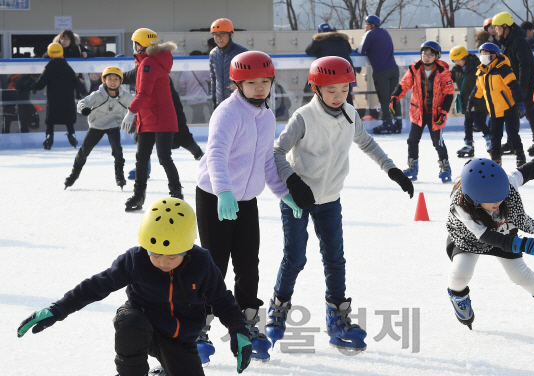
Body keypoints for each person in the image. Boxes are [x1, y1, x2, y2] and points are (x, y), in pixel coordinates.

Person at [265, 56, 414, 353]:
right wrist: (293, 182)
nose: (338, 96)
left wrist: (392, 169)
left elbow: (367, 143)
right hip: (297, 199)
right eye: (331, 90)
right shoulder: (304, 117)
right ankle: (279, 306)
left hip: (330, 199)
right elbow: (277, 152)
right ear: (316, 88)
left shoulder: (349, 113)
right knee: (295, 258)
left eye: (344, 89)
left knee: (335, 258)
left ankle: (337, 315)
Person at [17, 197, 253, 376]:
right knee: (130, 322)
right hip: (142, 325)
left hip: (179, 339)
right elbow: (97, 286)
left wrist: (238, 329)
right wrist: (58, 309)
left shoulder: (201, 262)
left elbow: (222, 300)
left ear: (187, 248)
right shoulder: (136, 260)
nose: (162, 262)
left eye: (172, 257)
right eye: (156, 254)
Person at [195, 51, 297, 362]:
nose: (259, 88)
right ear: (238, 83)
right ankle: (199, 327)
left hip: (247, 200)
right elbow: (215, 155)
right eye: (251, 82)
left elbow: (267, 160)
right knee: (214, 265)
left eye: (265, 82)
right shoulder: (227, 113)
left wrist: (284, 193)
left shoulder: (266, 116)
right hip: (215, 197)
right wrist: (224, 192)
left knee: (248, 264)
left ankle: (248, 325)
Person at [445, 143, 534, 331]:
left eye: (501, 196)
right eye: (492, 200)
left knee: (520, 275)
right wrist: (521, 244)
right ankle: (458, 296)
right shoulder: (461, 206)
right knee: (460, 274)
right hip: (470, 239)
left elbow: (527, 171)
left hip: (503, 231)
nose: (498, 202)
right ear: (474, 198)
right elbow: (485, 236)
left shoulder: (505, 183)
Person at [120, 28, 184, 212]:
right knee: (141, 158)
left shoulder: (149, 63)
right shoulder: (145, 63)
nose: (133, 46)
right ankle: (138, 196)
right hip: (148, 117)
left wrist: (131, 112)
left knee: (164, 158)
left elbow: (144, 94)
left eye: (134, 43)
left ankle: (177, 195)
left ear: (140, 44)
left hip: (161, 118)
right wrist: (137, 117)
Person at [390, 41, 455, 183]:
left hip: (435, 114)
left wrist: (443, 112)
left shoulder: (443, 72)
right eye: (424, 53)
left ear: (437, 56)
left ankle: (445, 168)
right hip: (418, 113)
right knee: (412, 140)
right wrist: (394, 98)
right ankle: (412, 168)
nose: (426, 57)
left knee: (438, 142)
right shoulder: (415, 69)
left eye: (430, 54)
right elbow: (404, 84)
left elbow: (449, 94)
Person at [63, 67, 134, 190]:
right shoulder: (97, 95)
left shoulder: (126, 96)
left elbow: (139, 104)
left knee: (118, 151)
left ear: (120, 81)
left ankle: (120, 177)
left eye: (116, 79)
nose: (113, 81)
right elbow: (81, 103)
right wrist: (84, 109)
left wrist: (134, 120)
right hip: (96, 126)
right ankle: (73, 176)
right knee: (84, 151)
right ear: (104, 80)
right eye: (110, 79)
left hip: (114, 126)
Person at [493, 12, 534, 157]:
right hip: (515, 83)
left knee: (529, 112)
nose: (496, 30)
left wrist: (522, 88)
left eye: (497, 27)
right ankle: (511, 142)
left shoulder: (518, 41)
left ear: (505, 26)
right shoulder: (509, 40)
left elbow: (525, 64)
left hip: (526, 83)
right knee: (513, 113)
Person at [468, 43, 526, 167]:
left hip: (508, 108)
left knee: (512, 134)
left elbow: (514, 87)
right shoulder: (481, 72)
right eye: (481, 53)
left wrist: (520, 103)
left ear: (494, 55)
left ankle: (520, 156)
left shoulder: (503, 69)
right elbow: (478, 90)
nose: (483, 56)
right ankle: (496, 160)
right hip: (494, 110)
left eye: (486, 54)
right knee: (495, 136)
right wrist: (470, 103)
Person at [356, 15, 402, 134]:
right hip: (394, 69)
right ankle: (398, 122)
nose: (365, 27)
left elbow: (361, 50)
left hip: (381, 71)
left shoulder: (370, 34)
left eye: (366, 24)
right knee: (394, 97)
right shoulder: (385, 32)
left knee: (384, 98)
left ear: (372, 25)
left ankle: (387, 123)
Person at [31, 42, 79, 150]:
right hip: (68, 99)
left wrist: (33, 87)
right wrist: (82, 91)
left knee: (51, 119)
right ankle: (72, 135)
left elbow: (41, 82)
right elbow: (75, 82)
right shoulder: (67, 67)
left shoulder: (49, 68)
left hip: (54, 99)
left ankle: (49, 136)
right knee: (68, 118)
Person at [449, 45, 492, 159]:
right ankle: (468, 144)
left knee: (479, 123)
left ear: (465, 57)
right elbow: (449, 78)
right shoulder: (456, 69)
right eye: (455, 60)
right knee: (467, 123)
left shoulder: (477, 66)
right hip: (466, 102)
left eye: (459, 60)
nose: (457, 62)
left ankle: (490, 139)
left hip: (480, 101)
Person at [305, 22, 355, 105]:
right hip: (346, 71)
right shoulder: (342, 39)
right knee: (345, 94)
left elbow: (309, 51)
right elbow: (349, 50)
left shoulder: (319, 39)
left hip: (329, 72)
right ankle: (350, 115)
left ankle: (329, 115)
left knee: (329, 94)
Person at [209, 18, 248, 109]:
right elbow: (213, 78)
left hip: (239, 101)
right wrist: (214, 99)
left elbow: (249, 78)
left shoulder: (241, 52)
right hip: (220, 102)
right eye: (216, 35)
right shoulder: (213, 54)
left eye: (222, 34)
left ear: (230, 34)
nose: (219, 38)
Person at [178, 51, 211, 124]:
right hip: (201, 98)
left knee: (197, 115)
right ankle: (198, 130)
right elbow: (211, 78)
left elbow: (181, 84)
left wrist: (184, 95)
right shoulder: (203, 70)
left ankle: (196, 129)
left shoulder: (186, 71)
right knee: (199, 116)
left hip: (190, 98)